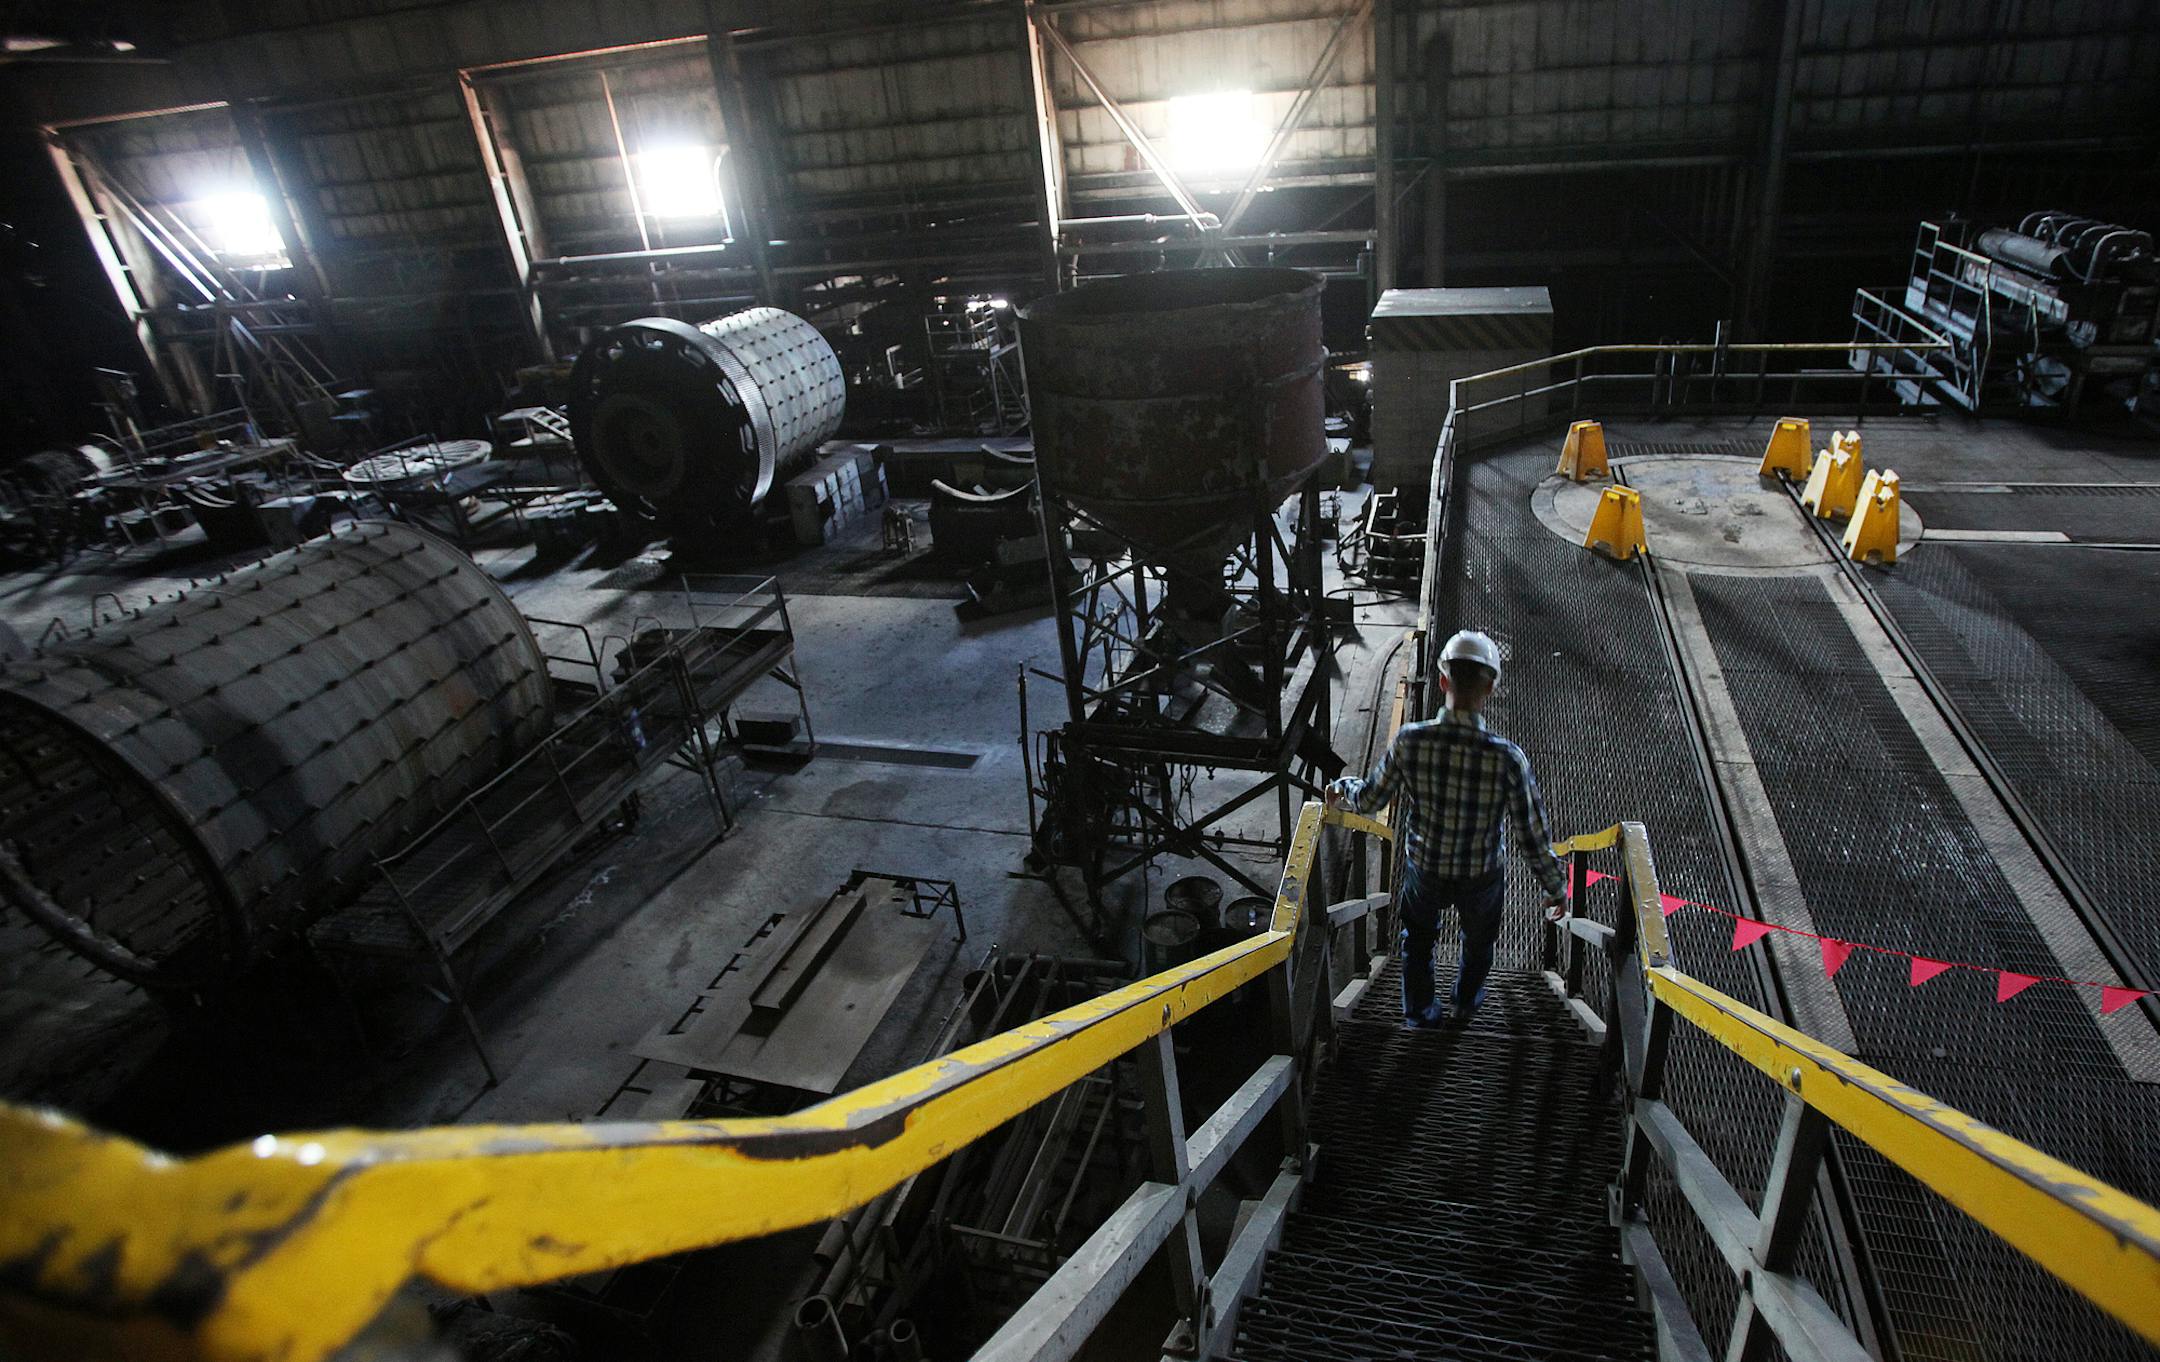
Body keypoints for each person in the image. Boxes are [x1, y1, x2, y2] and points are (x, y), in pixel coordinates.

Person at [1325, 629, 1567, 1028]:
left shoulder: (1409, 741)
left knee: (1417, 942)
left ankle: (1420, 1013)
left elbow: (1370, 800)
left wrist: (1340, 786)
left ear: (1442, 680)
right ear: (1490, 687)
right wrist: (1555, 886)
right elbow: (1532, 835)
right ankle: (1466, 1001)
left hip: (1426, 869)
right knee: (1479, 944)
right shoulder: (1508, 759)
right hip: (1481, 875)